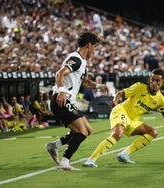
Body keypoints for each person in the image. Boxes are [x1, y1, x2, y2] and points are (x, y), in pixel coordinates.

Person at [83, 69, 164, 168]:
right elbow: (121, 93)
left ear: (162, 82)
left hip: (133, 121)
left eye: (157, 81)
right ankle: (91, 160)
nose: (154, 83)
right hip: (121, 112)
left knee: (153, 132)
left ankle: (124, 154)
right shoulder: (140, 87)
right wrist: (115, 100)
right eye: (152, 80)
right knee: (117, 134)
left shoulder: (161, 100)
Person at [45, 31, 109, 171]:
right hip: (61, 100)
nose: (94, 50)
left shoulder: (83, 62)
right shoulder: (76, 58)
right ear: (89, 45)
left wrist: (98, 86)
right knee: (82, 132)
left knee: (87, 130)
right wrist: (61, 90)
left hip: (66, 101)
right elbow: (59, 73)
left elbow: (85, 82)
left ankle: (53, 146)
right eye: (95, 47)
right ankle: (64, 162)